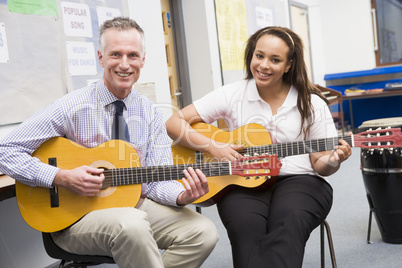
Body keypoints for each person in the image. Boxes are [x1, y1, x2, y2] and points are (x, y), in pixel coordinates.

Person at [0, 17, 218, 268]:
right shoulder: (71, 106)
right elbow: (6, 150)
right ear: (101, 58)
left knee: (203, 232)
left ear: (143, 60)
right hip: (76, 218)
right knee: (132, 223)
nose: (124, 64)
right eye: (115, 54)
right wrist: (61, 176)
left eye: (133, 55)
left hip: (136, 205)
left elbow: (159, 183)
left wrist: (183, 195)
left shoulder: (150, 113)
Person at [166, 26, 352, 268]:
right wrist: (213, 147)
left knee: (289, 220)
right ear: (251, 55)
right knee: (245, 227)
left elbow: (320, 165)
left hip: (301, 180)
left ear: (288, 65)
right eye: (259, 55)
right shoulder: (233, 93)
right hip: (243, 179)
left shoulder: (312, 103)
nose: (264, 65)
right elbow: (173, 122)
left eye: (275, 60)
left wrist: (334, 159)